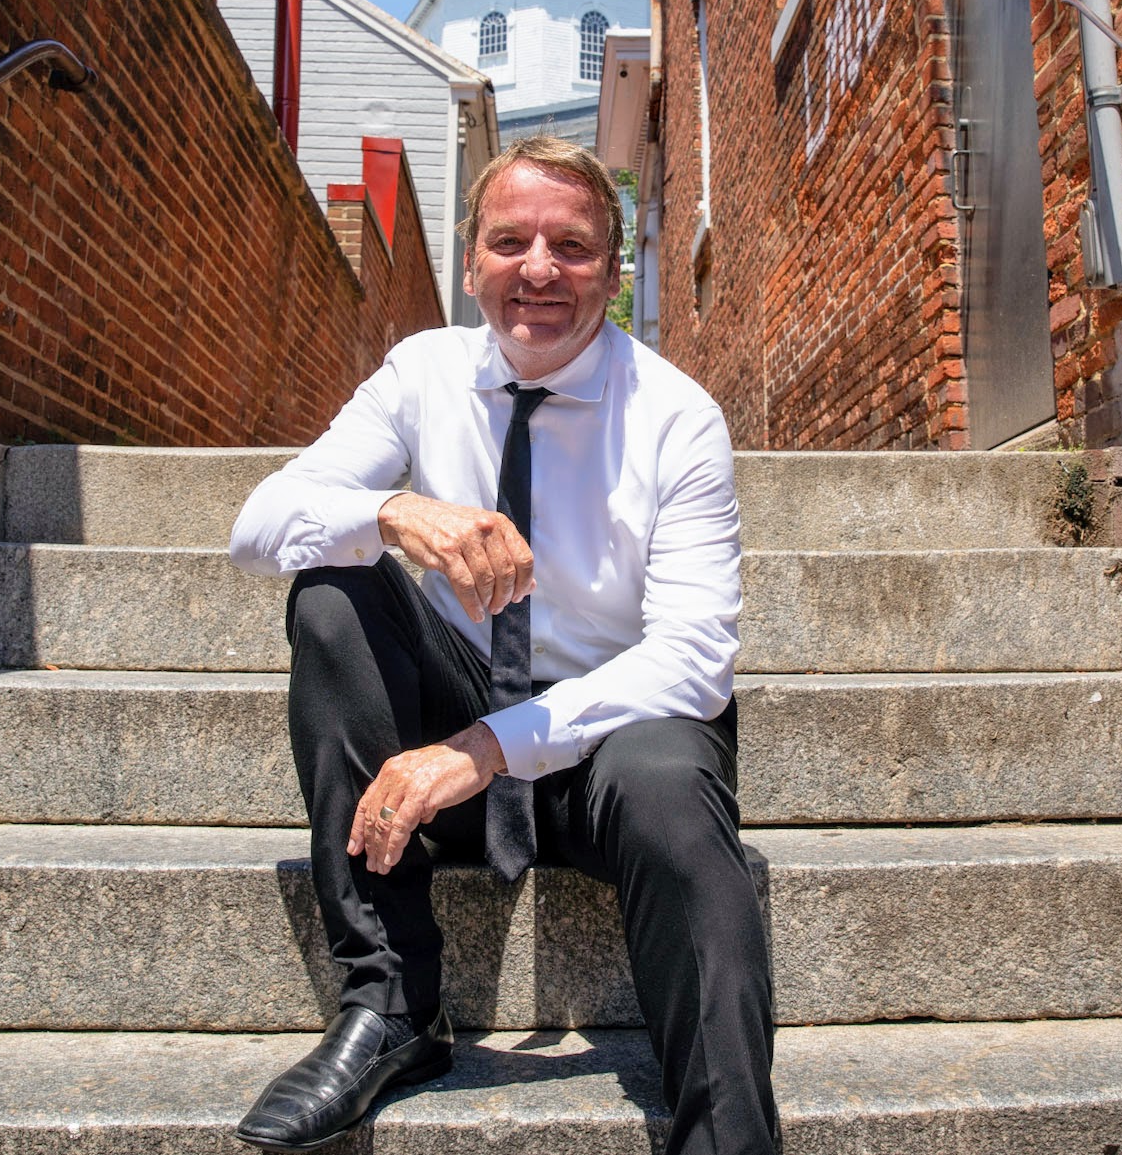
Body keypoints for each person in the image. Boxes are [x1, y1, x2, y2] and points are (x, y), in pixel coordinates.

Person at [227, 136, 778, 1155]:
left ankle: (726, 1140)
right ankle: (388, 1006)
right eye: (509, 240)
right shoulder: (422, 373)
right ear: (470, 258)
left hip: (603, 744)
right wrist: (392, 513)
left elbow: (695, 657)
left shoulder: (675, 418)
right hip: (442, 736)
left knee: (671, 778)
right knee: (334, 589)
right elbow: (255, 524)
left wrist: (484, 746)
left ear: (611, 275)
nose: (537, 269)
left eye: (570, 246)